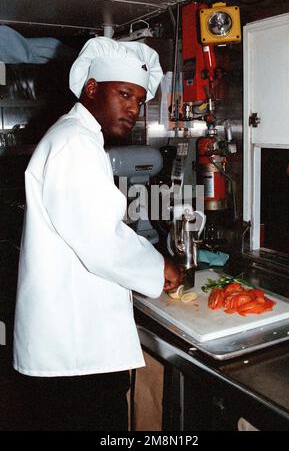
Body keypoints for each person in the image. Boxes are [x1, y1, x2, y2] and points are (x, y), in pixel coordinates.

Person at [13, 37, 183, 431]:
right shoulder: (74, 142)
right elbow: (101, 241)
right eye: (124, 94)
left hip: (73, 342)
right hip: (74, 352)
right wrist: (161, 267)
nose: (132, 108)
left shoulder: (79, 137)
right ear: (92, 88)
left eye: (139, 100)